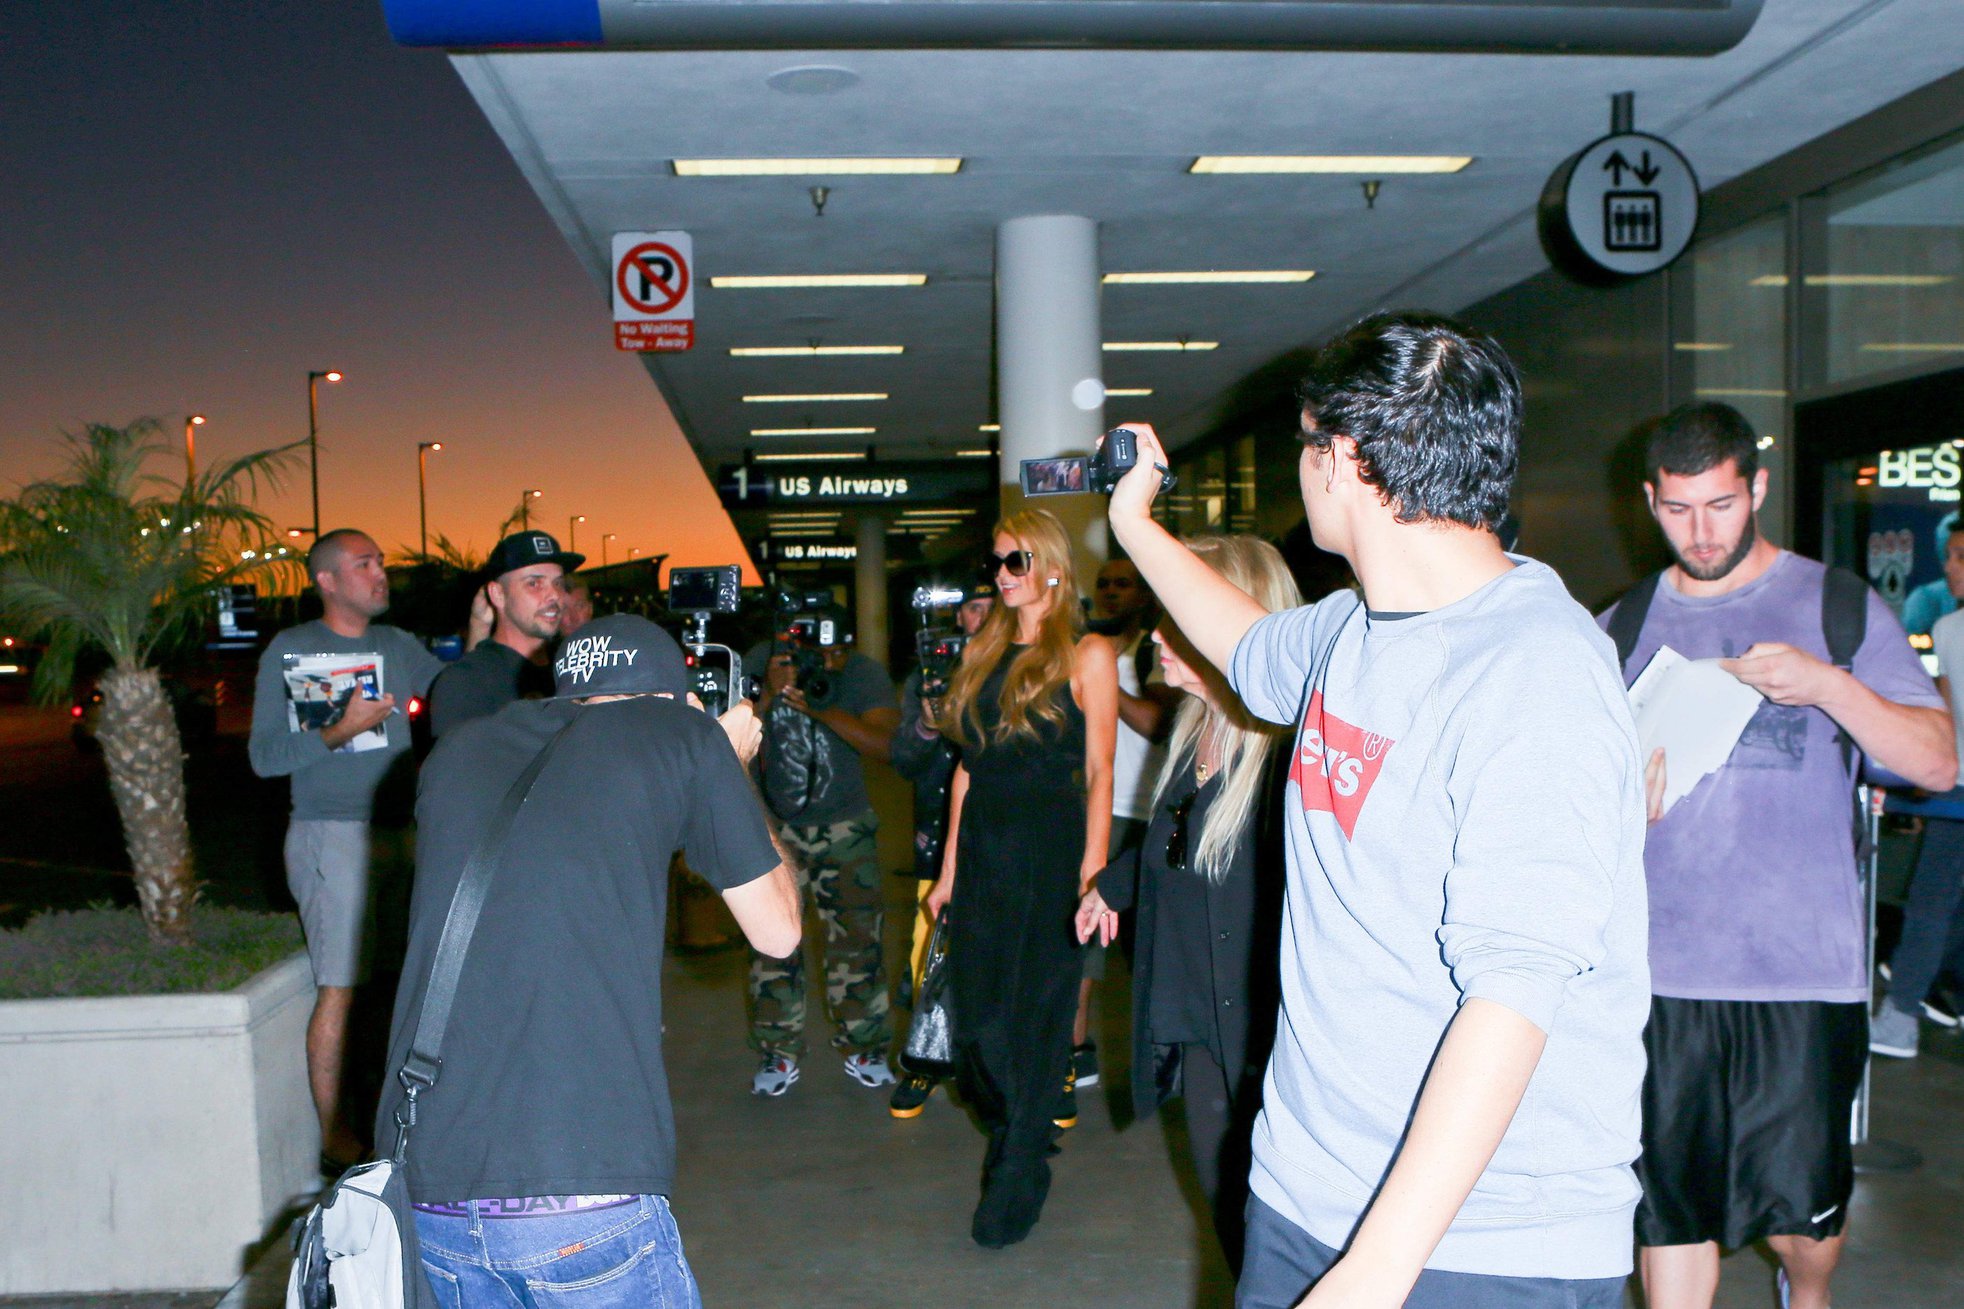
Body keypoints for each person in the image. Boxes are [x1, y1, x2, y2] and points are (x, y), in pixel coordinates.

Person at [1107, 312, 1652, 1307]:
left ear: (1343, 460)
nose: (1300, 467)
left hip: (1480, 1241)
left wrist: (1377, 1264)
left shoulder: (1534, 672)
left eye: (1305, 442)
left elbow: (1513, 994)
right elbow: (1246, 650)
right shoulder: (1351, 629)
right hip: (1307, 1190)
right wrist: (1135, 527)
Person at [1606, 402, 1954, 1309]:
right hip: (1661, 977)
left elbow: (1936, 760)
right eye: (1678, 510)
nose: (1701, 530)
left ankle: (1809, 1295)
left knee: (1806, 1227)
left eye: (1720, 505)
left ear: (1756, 487)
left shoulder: (1836, 605)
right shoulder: (1623, 623)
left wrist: (1829, 684)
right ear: (1650, 500)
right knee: (1671, 1214)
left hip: (1799, 975)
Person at [375, 613, 802, 1309]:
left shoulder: (459, 749)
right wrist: (727, 765)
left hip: (430, 1187)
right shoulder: (684, 736)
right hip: (581, 1187)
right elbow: (779, 930)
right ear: (671, 695)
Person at [1076, 534, 1298, 1273]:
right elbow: (1180, 844)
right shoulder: (1195, 729)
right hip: (1203, 1029)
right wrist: (1114, 884)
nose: (1159, 637)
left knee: (1272, 1238)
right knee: (1233, 1224)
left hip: (1269, 1045)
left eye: (1178, 618)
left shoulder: (1293, 756)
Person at [922, 509, 1119, 1248]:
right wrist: (946, 873)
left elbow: (1100, 771)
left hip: (1049, 854)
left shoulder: (1087, 653)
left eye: (1015, 561)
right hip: (983, 855)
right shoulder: (984, 648)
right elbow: (966, 769)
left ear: (1052, 567)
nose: (1001, 574)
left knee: (1037, 1020)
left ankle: (1019, 1169)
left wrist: (1093, 874)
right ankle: (1023, 1125)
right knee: (978, 1028)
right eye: (997, 562)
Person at [248, 528, 441, 1172]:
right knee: (340, 988)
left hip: (404, 833)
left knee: (396, 986)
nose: (380, 573)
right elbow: (265, 757)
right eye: (365, 564)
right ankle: (334, 1137)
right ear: (327, 580)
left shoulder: (397, 646)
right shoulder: (293, 648)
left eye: (382, 562)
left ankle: (392, 1122)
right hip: (331, 834)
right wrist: (338, 732)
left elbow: (459, 699)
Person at [743, 605, 903, 1095]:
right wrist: (770, 692)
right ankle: (778, 1053)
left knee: (857, 945)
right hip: (772, 828)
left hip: (845, 828)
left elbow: (886, 744)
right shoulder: (763, 662)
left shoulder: (860, 673)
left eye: (830, 643)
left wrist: (823, 708)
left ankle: (863, 1046)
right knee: (771, 947)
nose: (818, 652)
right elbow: (731, 735)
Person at [888, 580, 995, 1118]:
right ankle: (923, 1064)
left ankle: (1027, 1067)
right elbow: (902, 760)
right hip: (937, 846)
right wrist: (928, 726)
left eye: (989, 607)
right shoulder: (929, 672)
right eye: (972, 608)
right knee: (924, 958)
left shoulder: (1021, 670)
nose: (979, 618)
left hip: (1006, 839)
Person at [1075, 556, 1181, 1091]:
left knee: (1148, 944)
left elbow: (1158, 723)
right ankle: (1076, 1051)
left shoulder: (1152, 648)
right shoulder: (1089, 646)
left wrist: (1103, 690)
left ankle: (1161, 1055)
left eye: (1123, 584)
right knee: (1086, 940)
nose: (1111, 592)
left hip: (1146, 809)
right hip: (1104, 806)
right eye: (1104, 583)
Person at [1874, 519, 1964, 1057]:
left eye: (1958, 556)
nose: (1948, 567)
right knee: (1935, 898)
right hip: (1957, 788)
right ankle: (1906, 1008)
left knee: (1936, 902)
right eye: (1949, 555)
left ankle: (1909, 1003)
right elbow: (1947, 718)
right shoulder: (1949, 629)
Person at [427, 531, 581, 738]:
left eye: (558, 583)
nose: (554, 595)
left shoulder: (572, 667)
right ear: (498, 594)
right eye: (534, 583)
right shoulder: (465, 683)